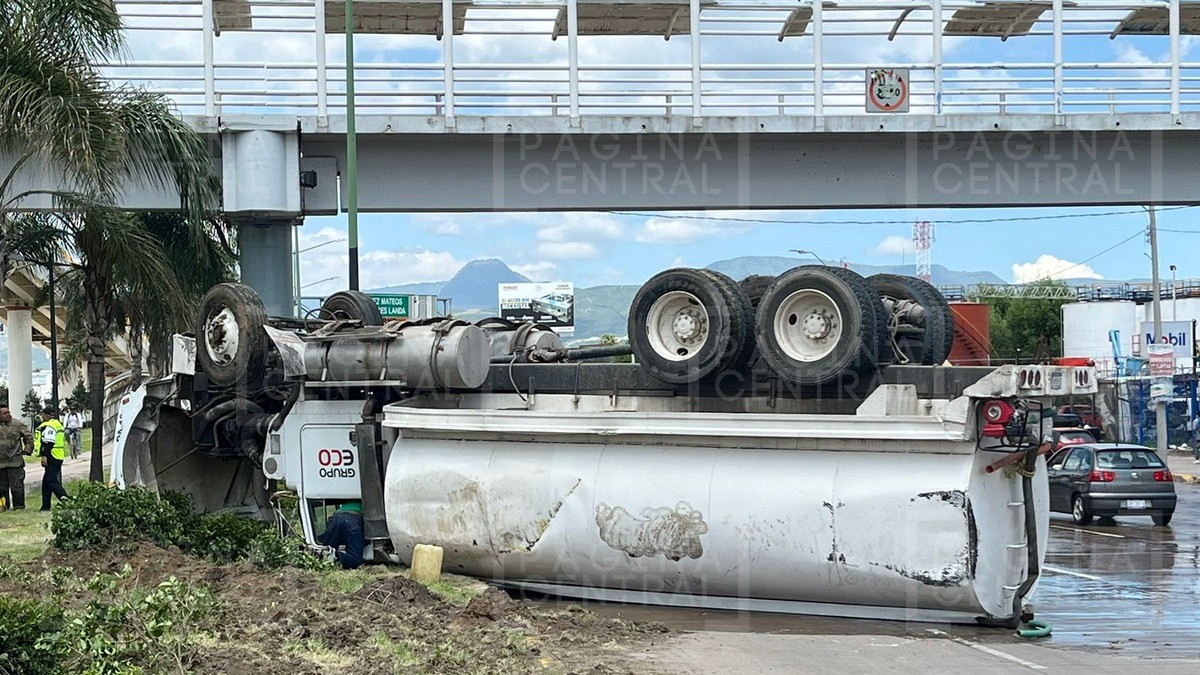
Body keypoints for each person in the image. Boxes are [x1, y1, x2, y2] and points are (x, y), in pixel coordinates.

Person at [33, 407, 69, 511]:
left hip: (52, 455)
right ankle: (45, 506)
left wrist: (44, 456)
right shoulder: (57, 424)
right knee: (46, 482)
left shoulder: (49, 426)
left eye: (43, 415)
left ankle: (66, 500)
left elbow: (49, 442)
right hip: (57, 454)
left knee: (51, 480)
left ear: (47, 415)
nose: (42, 417)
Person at [0, 406, 35, 510]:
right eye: (4, 413)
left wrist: (27, 449)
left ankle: (19, 506)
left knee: (17, 486)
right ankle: (3, 507)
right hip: (0, 464)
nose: (7, 415)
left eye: (8, 412)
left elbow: (29, 437)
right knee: (1, 488)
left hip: (15, 461)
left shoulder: (17, 424)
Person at [317, 501, 364, 569]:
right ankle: (334, 556)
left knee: (327, 548)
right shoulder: (369, 500)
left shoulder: (349, 499)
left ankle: (320, 554)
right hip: (353, 519)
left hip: (335, 517)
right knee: (355, 559)